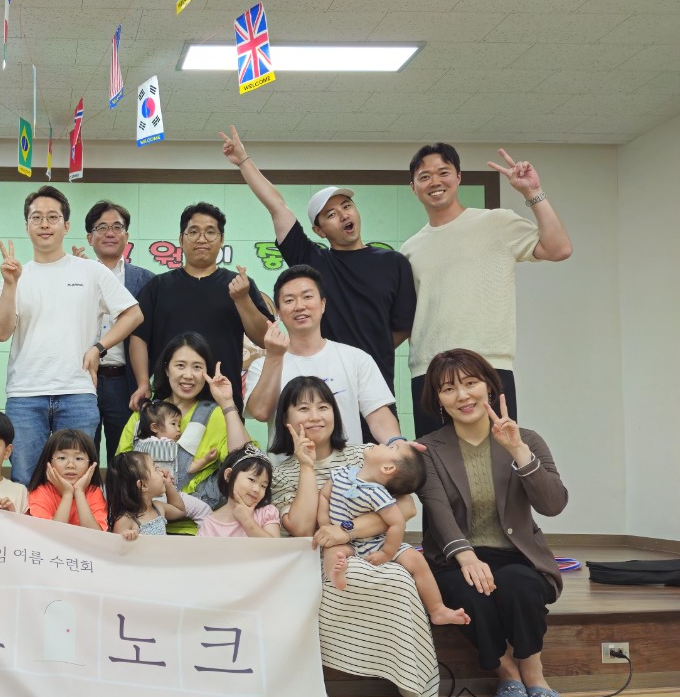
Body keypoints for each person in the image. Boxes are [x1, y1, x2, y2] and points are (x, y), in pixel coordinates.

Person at [268, 375, 455, 697]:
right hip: (313, 558)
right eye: (303, 408)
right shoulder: (282, 473)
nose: (315, 416)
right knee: (332, 580)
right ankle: (313, 686)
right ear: (286, 419)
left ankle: (420, 689)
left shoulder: (361, 454)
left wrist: (346, 530)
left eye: (323, 407)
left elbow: (406, 508)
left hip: (371, 548)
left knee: (400, 579)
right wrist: (306, 466)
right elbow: (302, 528)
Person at [417, 348, 572, 697]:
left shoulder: (527, 439)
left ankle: (534, 674)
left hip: (516, 554)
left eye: (470, 383)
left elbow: (553, 505)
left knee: (520, 585)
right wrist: (467, 556)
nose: (462, 395)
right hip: (455, 558)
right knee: (473, 594)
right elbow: (438, 513)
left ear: (489, 386)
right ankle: (507, 674)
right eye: (449, 389)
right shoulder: (429, 448)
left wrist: (517, 450)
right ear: (438, 400)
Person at [220, 127, 415, 398]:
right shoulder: (314, 261)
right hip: (322, 389)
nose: (343, 215)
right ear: (319, 230)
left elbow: (403, 326)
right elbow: (277, 207)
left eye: (347, 206)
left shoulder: (393, 262)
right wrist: (243, 161)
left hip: (376, 383)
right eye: (331, 214)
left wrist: (369, 353)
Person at [405, 143, 573, 437]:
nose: (435, 182)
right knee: (435, 463)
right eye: (425, 176)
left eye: (443, 172)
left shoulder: (496, 222)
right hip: (428, 372)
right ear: (413, 187)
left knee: (500, 459)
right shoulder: (410, 249)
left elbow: (559, 248)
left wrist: (532, 192)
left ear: (458, 177)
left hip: (487, 366)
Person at [0, 185, 143, 486]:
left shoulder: (91, 271)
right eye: (36, 217)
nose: (44, 224)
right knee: (26, 479)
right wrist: (10, 284)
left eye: (53, 217)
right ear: (26, 225)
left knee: (78, 482)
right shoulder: (16, 275)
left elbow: (133, 314)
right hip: (25, 395)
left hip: (78, 392)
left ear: (66, 225)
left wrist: (99, 347)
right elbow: (1, 332)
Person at [129, 201, 274, 411]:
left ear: (222, 239)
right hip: (169, 403)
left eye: (210, 232)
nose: (202, 239)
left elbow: (265, 338)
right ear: (181, 239)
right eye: (193, 232)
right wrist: (143, 382)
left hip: (223, 400)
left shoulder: (240, 285)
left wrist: (242, 299)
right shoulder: (158, 286)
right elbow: (138, 337)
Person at [244, 265, 400, 458]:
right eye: (289, 300)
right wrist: (275, 357)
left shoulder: (356, 358)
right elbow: (261, 412)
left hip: (349, 473)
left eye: (307, 297)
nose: (299, 306)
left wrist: (397, 443)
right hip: (288, 474)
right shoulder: (263, 365)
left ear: (323, 304)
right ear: (279, 312)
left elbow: (378, 417)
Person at [318, 439, 470, 626]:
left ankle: (437, 609)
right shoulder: (341, 473)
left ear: (388, 468)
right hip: (345, 542)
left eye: (392, 447)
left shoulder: (378, 493)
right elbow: (324, 495)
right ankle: (335, 575)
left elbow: (397, 523)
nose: (384, 444)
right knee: (334, 552)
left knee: (416, 559)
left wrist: (387, 553)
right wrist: (325, 524)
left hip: (377, 541)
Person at [116, 335, 249, 532]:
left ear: (206, 373)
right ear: (166, 369)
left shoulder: (216, 415)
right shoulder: (145, 415)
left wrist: (227, 403)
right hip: (142, 528)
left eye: (197, 367)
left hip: (196, 529)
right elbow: (120, 468)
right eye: (180, 365)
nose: (188, 375)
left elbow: (245, 461)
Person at [85, 200, 155, 461]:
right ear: (90, 237)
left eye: (117, 227)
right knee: (81, 454)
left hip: (124, 383)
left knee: (125, 458)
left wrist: (145, 381)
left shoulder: (146, 280)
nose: (110, 233)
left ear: (126, 235)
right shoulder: (77, 275)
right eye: (102, 227)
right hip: (84, 379)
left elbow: (150, 334)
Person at [26, 429, 108, 531]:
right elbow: (51, 535)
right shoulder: (41, 492)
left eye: (78, 458)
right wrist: (67, 494)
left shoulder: (94, 492)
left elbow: (96, 536)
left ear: (91, 464)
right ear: (48, 463)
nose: (70, 465)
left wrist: (79, 491)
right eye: (62, 458)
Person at [195, 448, 281, 538]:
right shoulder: (210, 524)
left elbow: (275, 546)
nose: (257, 489)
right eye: (252, 479)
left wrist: (246, 520)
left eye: (263, 486)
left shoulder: (266, 513)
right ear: (229, 475)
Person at [105, 451, 186, 540]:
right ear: (143, 485)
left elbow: (180, 511)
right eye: (155, 469)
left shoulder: (158, 507)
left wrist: (168, 484)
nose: (162, 473)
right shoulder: (125, 521)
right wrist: (126, 537)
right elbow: (116, 547)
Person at [133, 399, 217, 478]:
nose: (178, 429)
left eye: (179, 425)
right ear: (154, 427)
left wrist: (206, 459)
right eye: (173, 424)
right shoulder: (143, 445)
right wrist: (205, 460)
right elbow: (187, 468)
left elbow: (186, 468)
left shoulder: (141, 443)